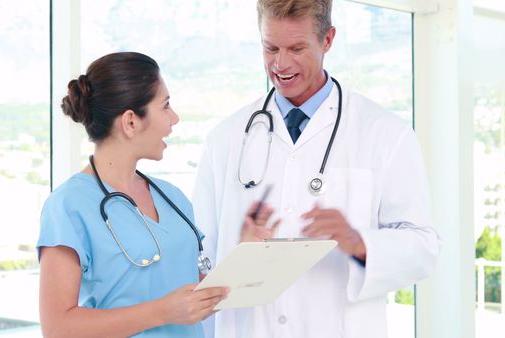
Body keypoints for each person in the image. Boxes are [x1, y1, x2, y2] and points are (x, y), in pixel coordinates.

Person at [192, 1, 442, 337]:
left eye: (297, 48)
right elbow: (199, 261)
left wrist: (359, 242)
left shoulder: (385, 133)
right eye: (271, 48)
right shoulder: (225, 139)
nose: (281, 64)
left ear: (328, 40)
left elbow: (423, 248)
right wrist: (241, 253)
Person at [37, 52, 243, 338]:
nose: (174, 118)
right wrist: (163, 311)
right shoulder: (68, 206)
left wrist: (244, 255)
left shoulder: (173, 198)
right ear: (131, 122)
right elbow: (58, 328)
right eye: (165, 106)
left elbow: (186, 292)